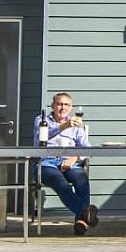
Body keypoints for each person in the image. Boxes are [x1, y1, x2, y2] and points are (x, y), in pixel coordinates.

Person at [32, 92, 98, 234]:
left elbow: (87, 147)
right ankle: (85, 213)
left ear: (71, 107)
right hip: (46, 163)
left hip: (70, 161)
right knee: (60, 183)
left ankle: (80, 222)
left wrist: (75, 157)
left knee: (81, 179)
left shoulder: (77, 126)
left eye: (66, 104)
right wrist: (64, 126)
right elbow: (40, 140)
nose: (63, 107)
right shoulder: (41, 120)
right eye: (59, 104)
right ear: (53, 106)